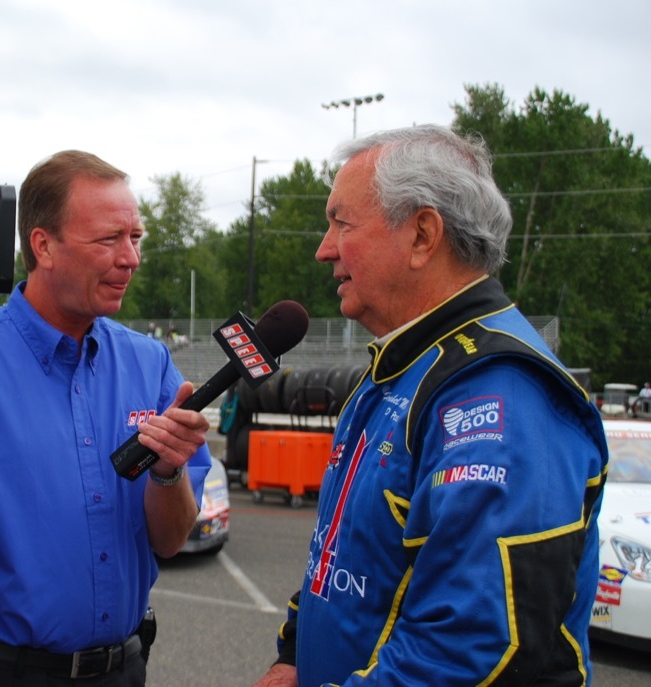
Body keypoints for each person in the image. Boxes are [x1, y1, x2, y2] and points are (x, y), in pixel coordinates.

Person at [253, 125, 608, 686]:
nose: (323, 249)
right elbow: (348, 553)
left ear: (422, 235)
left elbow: (468, 654)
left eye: (341, 223)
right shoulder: (397, 370)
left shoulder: (498, 392)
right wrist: (295, 655)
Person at [0, 150, 212, 686]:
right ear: (43, 246)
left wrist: (167, 473)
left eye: (136, 238)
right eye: (109, 239)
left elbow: (170, 540)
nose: (131, 258)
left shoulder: (151, 364)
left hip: (123, 670)